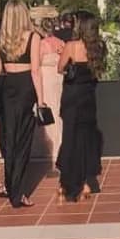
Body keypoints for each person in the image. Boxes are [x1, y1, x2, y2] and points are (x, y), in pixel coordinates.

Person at [0, 0, 41, 207]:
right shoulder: (33, 37)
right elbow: (36, 71)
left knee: (9, 140)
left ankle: (11, 186)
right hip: (26, 86)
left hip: (8, 86)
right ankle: (17, 192)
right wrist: (42, 100)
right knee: (23, 141)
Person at [56, 10, 105, 202]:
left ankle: (67, 182)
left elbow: (60, 68)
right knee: (85, 139)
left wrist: (65, 58)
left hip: (72, 96)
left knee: (70, 138)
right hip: (88, 97)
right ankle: (84, 182)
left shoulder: (72, 45)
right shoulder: (99, 47)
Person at [37, 18, 66, 169]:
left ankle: (50, 147)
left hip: (46, 79)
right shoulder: (61, 42)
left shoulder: (41, 44)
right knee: (57, 109)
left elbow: (36, 63)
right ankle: (59, 143)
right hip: (58, 78)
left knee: (48, 109)